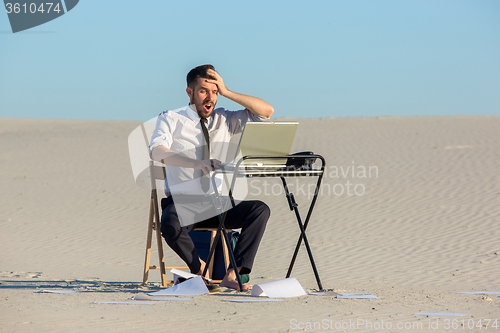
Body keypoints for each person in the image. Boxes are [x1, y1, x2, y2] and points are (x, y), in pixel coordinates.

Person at [149, 64, 274, 290]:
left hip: (218, 204)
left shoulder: (224, 119)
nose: (210, 97)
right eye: (204, 91)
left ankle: (234, 274)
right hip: (184, 203)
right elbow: (156, 151)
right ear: (190, 92)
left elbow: (266, 111)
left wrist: (227, 91)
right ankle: (199, 269)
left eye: (214, 92)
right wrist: (195, 163)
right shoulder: (171, 119)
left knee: (259, 210)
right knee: (170, 223)